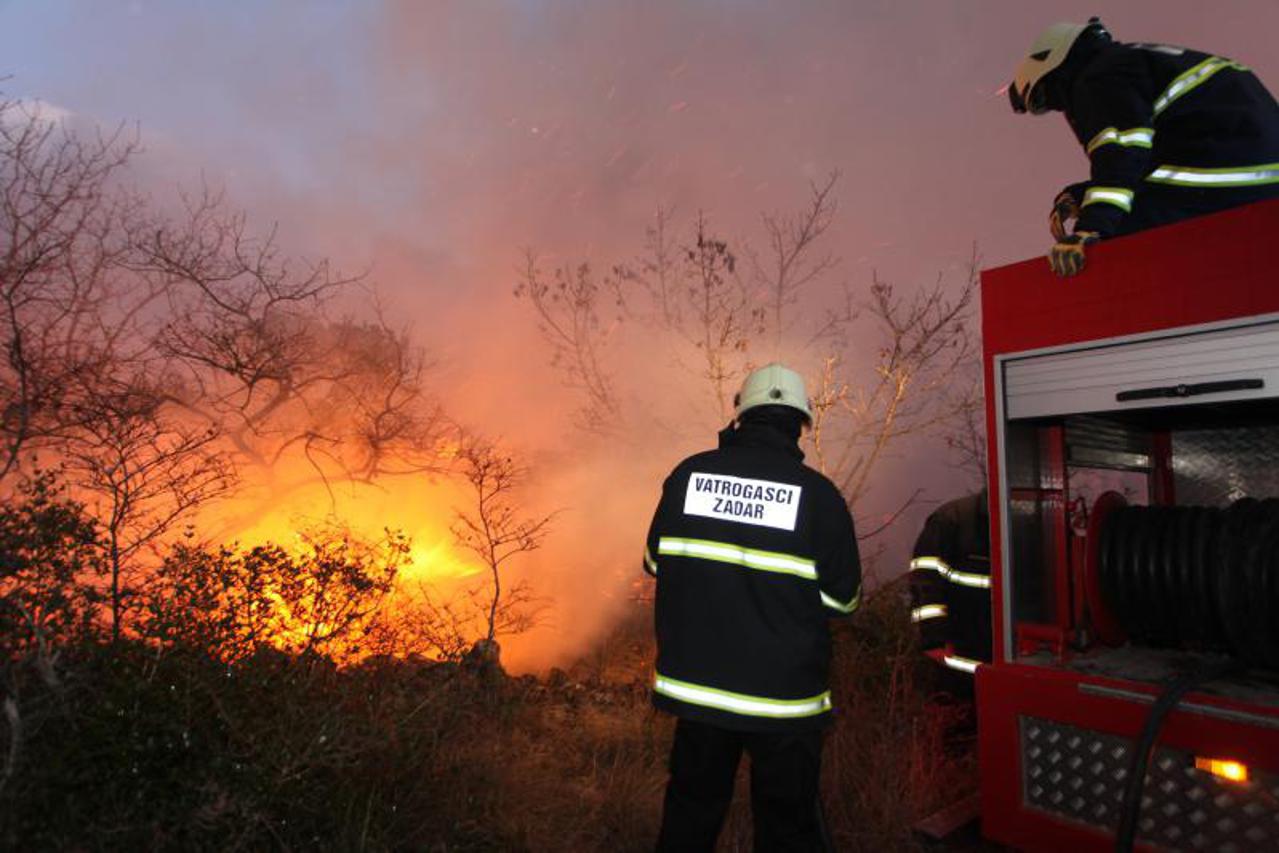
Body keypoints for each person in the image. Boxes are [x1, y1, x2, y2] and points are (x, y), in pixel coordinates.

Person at [643, 363, 861, 852]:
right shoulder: (820, 496)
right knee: (787, 828)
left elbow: (656, 562)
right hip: (783, 700)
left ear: (741, 415)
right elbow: (842, 600)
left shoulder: (688, 476)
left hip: (699, 691)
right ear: (800, 424)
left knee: (689, 817)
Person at [1007, 17, 1279, 277]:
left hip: (1229, 172)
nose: (1054, 106)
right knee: (1128, 209)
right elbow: (1141, 161)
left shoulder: (1097, 78)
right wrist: (1082, 196)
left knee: (1123, 231)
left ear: (1051, 63)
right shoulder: (1128, 61)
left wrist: (1091, 228)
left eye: (1040, 97)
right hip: (1253, 166)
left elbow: (1121, 151)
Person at [907, 491, 991, 700]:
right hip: (959, 656)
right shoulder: (950, 520)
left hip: (1005, 657)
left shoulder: (1024, 521)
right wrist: (933, 641)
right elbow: (925, 582)